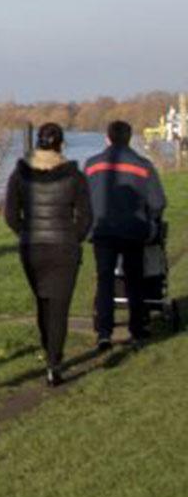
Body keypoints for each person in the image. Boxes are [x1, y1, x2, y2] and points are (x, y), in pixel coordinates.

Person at [3, 122, 93, 384]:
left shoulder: (20, 175)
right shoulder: (75, 177)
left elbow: (10, 215)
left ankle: (49, 353)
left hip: (33, 249)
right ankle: (55, 362)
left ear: (38, 144)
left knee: (43, 302)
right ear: (61, 144)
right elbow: (86, 217)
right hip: (64, 249)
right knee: (59, 306)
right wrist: (73, 238)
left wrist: (25, 233)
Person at [83, 119, 169, 348]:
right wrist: (149, 218)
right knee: (134, 279)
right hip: (133, 229)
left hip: (102, 230)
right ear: (129, 138)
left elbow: (84, 199)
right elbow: (158, 202)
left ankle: (104, 331)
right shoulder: (143, 166)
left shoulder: (92, 165)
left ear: (107, 138)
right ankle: (138, 329)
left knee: (105, 280)